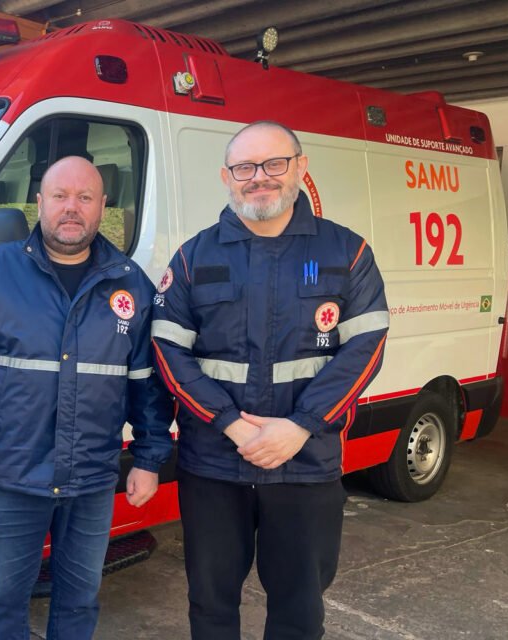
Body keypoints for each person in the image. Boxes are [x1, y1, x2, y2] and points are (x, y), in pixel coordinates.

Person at [152, 121, 389, 639]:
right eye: (244, 168)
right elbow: (169, 351)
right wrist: (232, 425)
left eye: (273, 164)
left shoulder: (346, 253)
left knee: (299, 610)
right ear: (227, 177)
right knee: (210, 606)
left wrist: (301, 426)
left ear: (300, 168)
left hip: (306, 464)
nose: (259, 178)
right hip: (214, 463)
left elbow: (365, 351)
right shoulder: (195, 257)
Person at [0, 155, 173, 640]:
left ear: (103, 206)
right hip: (14, 475)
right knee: (6, 601)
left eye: (85, 198)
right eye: (60, 196)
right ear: (39, 201)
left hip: (92, 478)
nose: (71, 208)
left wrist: (148, 459)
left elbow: (148, 384)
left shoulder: (131, 285)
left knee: (80, 600)